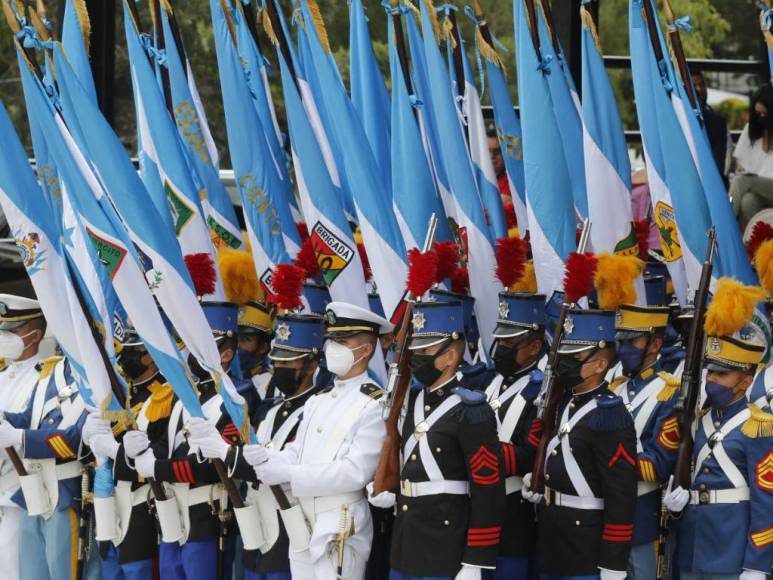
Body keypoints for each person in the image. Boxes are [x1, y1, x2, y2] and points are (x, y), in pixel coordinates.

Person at [243, 302, 391, 579]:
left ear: (366, 350)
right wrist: (268, 459)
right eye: (332, 340)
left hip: (339, 521)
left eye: (343, 341)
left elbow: (354, 471)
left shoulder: (375, 403)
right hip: (302, 518)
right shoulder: (318, 401)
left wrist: (287, 473)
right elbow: (298, 451)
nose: (333, 347)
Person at [191, 310, 329, 580]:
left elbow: (276, 468)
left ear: (312, 365)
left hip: (290, 524)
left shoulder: (317, 411)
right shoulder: (270, 410)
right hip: (258, 521)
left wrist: (225, 452)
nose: (279, 368)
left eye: (288, 363)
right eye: (276, 361)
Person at [380, 300, 506, 580]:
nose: (418, 358)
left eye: (425, 351)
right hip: (406, 540)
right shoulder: (410, 399)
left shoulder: (471, 411)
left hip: (445, 544)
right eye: (416, 351)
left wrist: (476, 560)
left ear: (450, 357)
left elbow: (488, 492)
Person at [664, 281, 773, 580]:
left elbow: (766, 502)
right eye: (710, 371)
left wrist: (757, 564)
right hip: (692, 545)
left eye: (722, 374)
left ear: (746, 381)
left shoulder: (759, 426)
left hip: (731, 551)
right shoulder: (700, 418)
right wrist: (675, 506)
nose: (712, 379)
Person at [522, 309, 638, 580]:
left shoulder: (611, 415)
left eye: (575, 358)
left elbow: (621, 496)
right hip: (552, 539)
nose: (565, 364)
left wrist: (613, 564)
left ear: (599, 365)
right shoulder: (563, 401)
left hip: (586, 546)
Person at [133, 301, 244, 580]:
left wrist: (157, 468)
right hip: (173, 513)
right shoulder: (186, 397)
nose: (188, 353)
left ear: (226, 353)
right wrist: (139, 450)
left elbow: (208, 466)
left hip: (207, 516)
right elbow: (166, 445)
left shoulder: (234, 401)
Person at [0, 318, 99, 580]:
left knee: (63, 572)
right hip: (33, 492)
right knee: (32, 574)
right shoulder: (54, 373)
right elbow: (28, 417)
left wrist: (20, 436)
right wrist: (5, 419)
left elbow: (73, 441)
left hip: (65, 492)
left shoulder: (99, 383)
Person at [84, 322, 175, 580]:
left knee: (138, 572)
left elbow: (160, 453)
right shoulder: (115, 395)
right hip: (106, 497)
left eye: (135, 351)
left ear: (153, 356)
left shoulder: (165, 397)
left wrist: (116, 451)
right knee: (109, 572)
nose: (127, 357)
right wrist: (87, 436)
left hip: (141, 501)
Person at [612, 303, 681, 578]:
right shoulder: (615, 388)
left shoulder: (668, 393)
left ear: (655, 344)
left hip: (643, 515)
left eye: (632, 341)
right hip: (607, 515)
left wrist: (606, 462)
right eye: (621, 340)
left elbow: (658, 465)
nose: (623, 348)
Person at [484, 292, 547, 579]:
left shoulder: (542, 391)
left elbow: (530, 455)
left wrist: (473, 451)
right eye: (500, 341)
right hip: (479, 510)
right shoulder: (492, 382)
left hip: (513, 517)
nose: (501, 349)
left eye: (510, 343)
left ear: (534, 346)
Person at [0, 290, 51, 580]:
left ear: (35, 334)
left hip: (19, 492)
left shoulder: (45, 378)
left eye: (13, 330)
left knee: (16, 572)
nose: (4, 336)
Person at [731, 84, 773, 231]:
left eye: (765, 114)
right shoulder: (751, 129)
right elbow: (740, 165)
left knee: (741, 181)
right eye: (758, 114)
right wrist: (740, 168)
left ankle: (725, 223)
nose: (761, 118)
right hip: (757, 188)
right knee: (747, 202)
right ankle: (752, 248)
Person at [691, 70, 731, 179]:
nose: (699, 89)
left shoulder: (718, 123)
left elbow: (721, 166)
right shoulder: (676, 121)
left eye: (702, 85)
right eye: (694, 85)